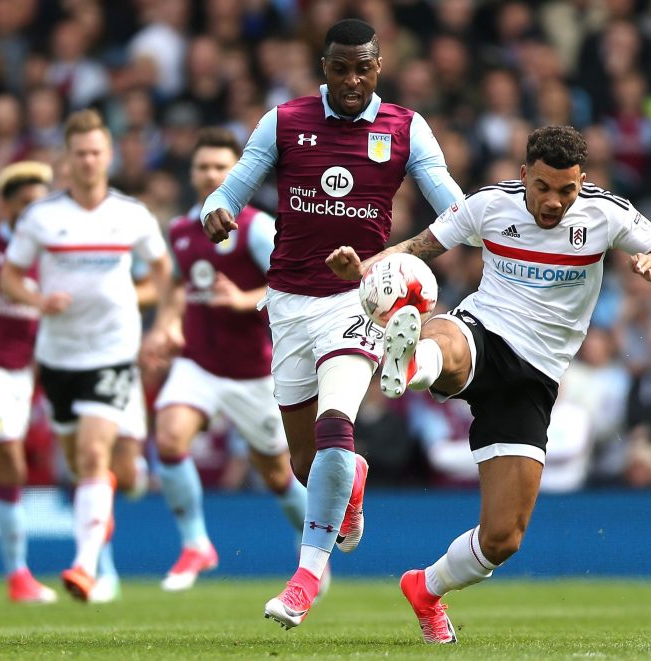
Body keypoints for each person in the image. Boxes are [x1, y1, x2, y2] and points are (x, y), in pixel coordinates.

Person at [327, 125, 651, 643]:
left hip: (535, 377)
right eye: (542, 187)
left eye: (567, 190)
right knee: (446, 340)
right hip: (484, 331)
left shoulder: (606, 212)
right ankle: (411, 364)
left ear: (582, 181)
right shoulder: (489, 205)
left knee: (503, 539)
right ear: (523, 177)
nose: (554, 201)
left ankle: (425, 588)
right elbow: (419, 247)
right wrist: (362, 269)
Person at [201, 18, 464, 627]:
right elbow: (233, 187)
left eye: (362, 68)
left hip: (360, 299)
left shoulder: (405, 128)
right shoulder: (285, 120)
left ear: (379, 67)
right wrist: (218, 211)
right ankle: (352, 479)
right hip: (289, 302)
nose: (352, 79)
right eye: (340, 67)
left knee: (336, 424)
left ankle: (304, 577)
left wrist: (388, 263)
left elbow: (453, 208)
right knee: (305, 463)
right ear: (324, 67)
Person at [0, 109, 172, 602]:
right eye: (80, 154)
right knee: (79, 465)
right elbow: (10, 277)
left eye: (97, 152)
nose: (89, 161)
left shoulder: (131, 215)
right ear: (67, 161)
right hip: (57, 358)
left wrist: (162, 323)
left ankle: (84, 565)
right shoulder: (42, 217)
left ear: (108, 155)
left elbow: (164, 275)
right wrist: (36, 300)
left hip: (112, 352)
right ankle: (106, 509)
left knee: (97, 456)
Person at [141, 127, 308, 592]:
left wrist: (242, 300)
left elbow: (290, 282)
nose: (210, 174)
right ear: (191, 173)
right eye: (202, 166)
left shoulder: (256, 228)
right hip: (198, 363)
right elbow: (175, 286)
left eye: (220, 166)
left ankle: (309, 541)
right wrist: (166, 325)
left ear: (238, 173)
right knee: (170, 439)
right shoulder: (179, 229)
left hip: (253, 372)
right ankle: (196, 543)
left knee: (278, 473)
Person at [0, 161, 57, 603]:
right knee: (10, 461)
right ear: (4, 206)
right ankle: (18, 577)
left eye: (40, 204)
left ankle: (18, 576)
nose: (33, 213)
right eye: (25, 205)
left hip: (22, 373)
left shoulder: (51, 254)